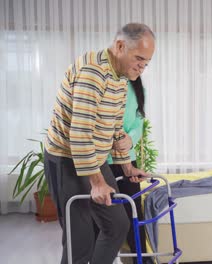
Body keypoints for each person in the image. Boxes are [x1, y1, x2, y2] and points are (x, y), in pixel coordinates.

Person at [43, 23, 155, 264]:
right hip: (66, 158)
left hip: (94, 155)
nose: (141, 67)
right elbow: (81, 132)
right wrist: (96, 184)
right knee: (80, 240)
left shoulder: (121, 78)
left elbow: (115, 127)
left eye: (146, 63)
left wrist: (127, 167)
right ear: (120, 46)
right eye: (138, 59)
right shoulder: (93, 72)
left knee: (117, 224)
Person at [107, 76, 152, 264]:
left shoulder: (139, 89)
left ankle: (141, 260)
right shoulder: (108, 85)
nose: (140, 67)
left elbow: (138, 123)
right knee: (105, 215)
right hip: (103, 161)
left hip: (127, 159)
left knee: (134, 214)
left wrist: (130, 139)